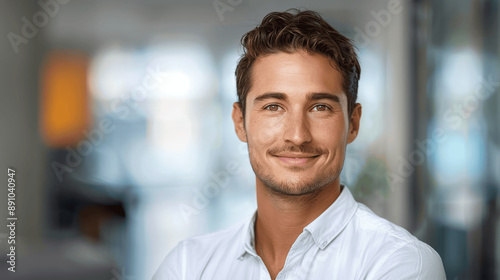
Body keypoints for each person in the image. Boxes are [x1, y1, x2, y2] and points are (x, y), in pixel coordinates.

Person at [153, 9, 445, 280]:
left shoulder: (400, 262)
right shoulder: (187, 265)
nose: (297, 135)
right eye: (273, 107)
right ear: (240, 122)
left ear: (353, 123)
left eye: (320, 107)